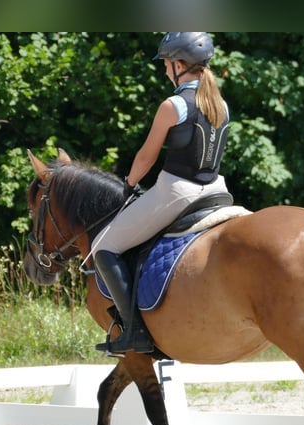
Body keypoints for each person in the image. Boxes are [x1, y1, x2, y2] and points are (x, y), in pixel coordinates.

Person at [90, 32, 231, 355]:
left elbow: (146, 157)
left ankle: (135, 332)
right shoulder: (221, 104)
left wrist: (128, 185)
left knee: (103, 246)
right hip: (217, 190)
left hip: (178, 192)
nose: (166, 72)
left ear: (179, 65)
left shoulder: (174, 104)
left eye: (167, 65)